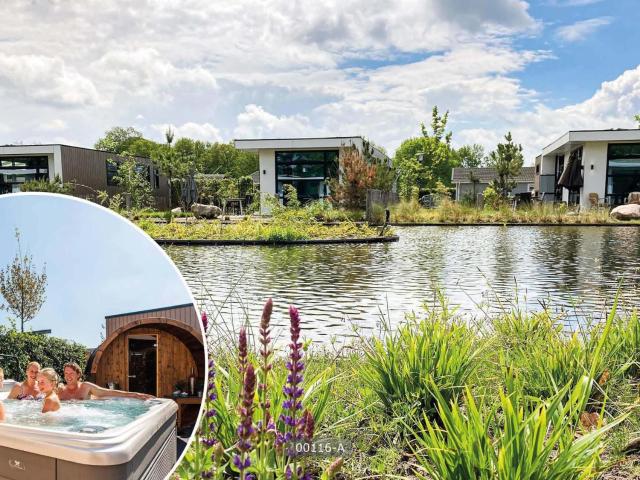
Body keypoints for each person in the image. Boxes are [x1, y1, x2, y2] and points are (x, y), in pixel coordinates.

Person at [57, 362, 153, 401]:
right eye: (66, 373)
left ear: (78, 374)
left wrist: (135, 395)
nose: (68, 376)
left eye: (71, 373)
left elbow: (108, 392)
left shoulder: (86, 387)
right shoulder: (60, 389)